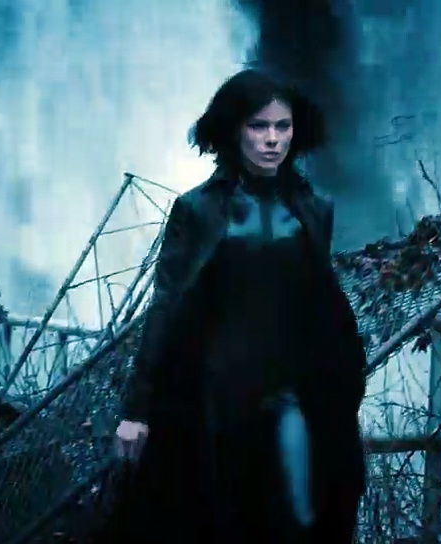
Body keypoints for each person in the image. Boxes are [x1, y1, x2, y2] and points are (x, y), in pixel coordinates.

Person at [96, 68, 369, 543]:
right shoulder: (197, 210)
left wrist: (344, 383)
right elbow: (166, 309)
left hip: (292, 396)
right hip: (214, 399)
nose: (272, 140)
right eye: (258, 126)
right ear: (234, 130)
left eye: (282, 126)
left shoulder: (314, 208)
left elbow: (320, 306)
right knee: (214, 523)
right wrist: (136, 410)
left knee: (303, 517)